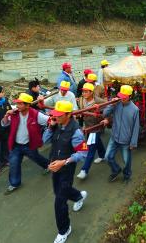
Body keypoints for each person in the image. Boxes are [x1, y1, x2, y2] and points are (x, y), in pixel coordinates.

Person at [47, 101, 88, 243]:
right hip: (55, 167)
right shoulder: (57, 125)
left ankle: (64, 229)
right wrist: (50, 127)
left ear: (69, 115)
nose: (56, 118)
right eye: (55, 115)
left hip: (66, 169)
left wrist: (64, 162)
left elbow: (83, 153)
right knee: (58, 191)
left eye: (59, 116)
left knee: (59, 202)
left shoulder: (76, 132)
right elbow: (43, 140)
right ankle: (78, 196)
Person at [1, 93, 50, 195]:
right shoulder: (14, 114)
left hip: (29, 144)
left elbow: (49, 121)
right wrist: (6, 116)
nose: (17, 106)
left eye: (20, 104)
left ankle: (48, 165)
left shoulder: (36, 114)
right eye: (17, 103)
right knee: (14, 163)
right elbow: (4, 123)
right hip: (16, 145)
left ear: (27, 105)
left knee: (36, 157)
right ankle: (14, 183)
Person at [101, 85, 140, 183]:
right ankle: (116, 170)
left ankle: (127, 176)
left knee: (126, 161)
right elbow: (105, 114)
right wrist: (111, 105)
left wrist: (133, 143)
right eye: (121, 96)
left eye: (124, 96)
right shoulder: (116, 104)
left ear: (130, 96)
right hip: (114, 137)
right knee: (107, 157)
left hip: (126, 140)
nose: (122, 98)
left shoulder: (134, 110)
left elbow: (136, 128)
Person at [76, 82, 106, 180]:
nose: (84, 94)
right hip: (87, 126)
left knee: (90, 147)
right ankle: (102, 155)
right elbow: (79, 110)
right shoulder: (81, 100)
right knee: (97, 142)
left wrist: (105, 118)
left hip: (96, 127)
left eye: (86, 92)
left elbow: (108, 110)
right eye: (83, 92)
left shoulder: (99, 101)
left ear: (91, 92)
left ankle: (84, 170)